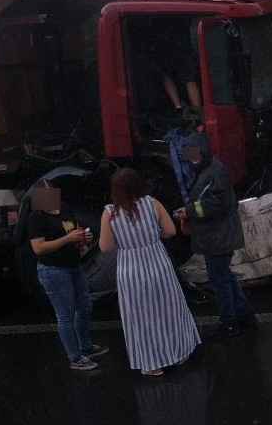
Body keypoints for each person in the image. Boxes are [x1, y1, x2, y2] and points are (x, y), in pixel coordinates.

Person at [99, 168, 201, 376]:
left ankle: (151, 363)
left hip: (131, 270)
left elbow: (106, 247)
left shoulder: (110, 213)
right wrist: (152, 236)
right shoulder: (153, 203)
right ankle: (179, 353)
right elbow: (170, 231)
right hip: (158, 263)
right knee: (169, 308)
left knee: (140, 316)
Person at [174, 132, 256, 337]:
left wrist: (190, 211)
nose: (191, 160)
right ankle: (244, 314)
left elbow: (218, 203)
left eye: (194, 155)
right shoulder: (208, 170)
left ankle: (229, 323)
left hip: (218, 237)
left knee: (219, 280)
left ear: (202, 152)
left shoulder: (213, 172)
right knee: (225, 276)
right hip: (218, 236)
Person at [26, 179, 109, 371]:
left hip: (74, 266)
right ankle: (74, 356)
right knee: (65, 314)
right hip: (54, 270)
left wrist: (82, 237)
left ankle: (86, 346)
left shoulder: (64, 209)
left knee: (85, 307)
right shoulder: (36, 218)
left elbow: (73, 231)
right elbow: (38, 248)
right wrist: (67, 239)